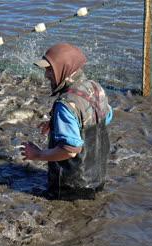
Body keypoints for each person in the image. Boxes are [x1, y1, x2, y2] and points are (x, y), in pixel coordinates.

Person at [21, 43, 113, 200]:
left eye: (50, 70)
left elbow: (70, 150)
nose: (46, 75)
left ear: (64, 69)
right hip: (97, 178)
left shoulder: (65, 105)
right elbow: (107, 116)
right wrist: (59, 123)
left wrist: (37, 154)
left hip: (71, 187)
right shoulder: (96, 87)